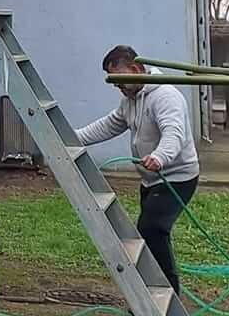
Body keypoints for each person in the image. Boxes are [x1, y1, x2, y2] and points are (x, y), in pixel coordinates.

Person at [73, 44, 199, 293]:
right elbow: (109, 125)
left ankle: (166, 293)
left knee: (152, 229)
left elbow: (175, 133)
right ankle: (151, 293)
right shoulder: (130, 100)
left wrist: (160, 157)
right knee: (149, 234)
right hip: (151, 180)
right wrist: (73, 137)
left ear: (134, 68)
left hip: (176, 178)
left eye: (119, 79)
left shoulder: (165, 96)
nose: (117, 86)